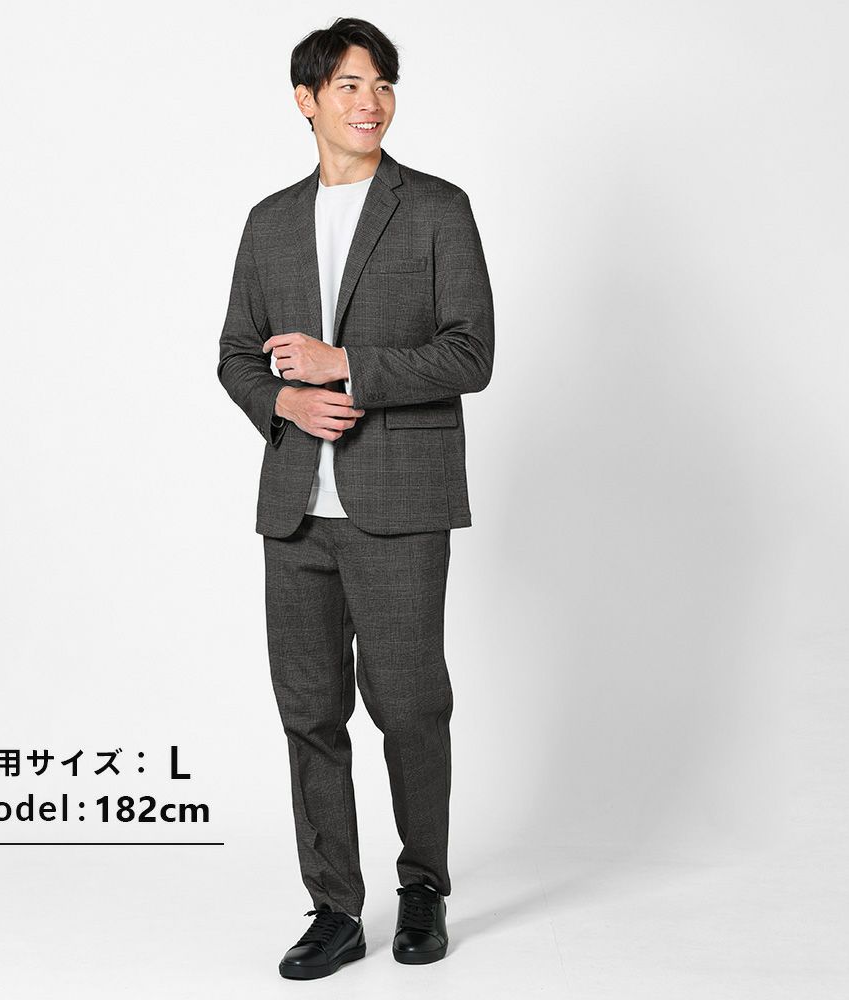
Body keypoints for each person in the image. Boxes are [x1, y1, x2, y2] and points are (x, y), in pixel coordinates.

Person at [216, 16, 494, 980]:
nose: (370, 102)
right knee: (309, 712)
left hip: (402, 501)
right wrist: (285, 399)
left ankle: (424, 887)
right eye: (348, 85)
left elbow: (471, 353)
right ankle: (335, 907)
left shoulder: (436, 209)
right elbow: (234, 355)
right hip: (296, 509)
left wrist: (348, 366)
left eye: (382, 85)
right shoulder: (269, 222)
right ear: (307, 100)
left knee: (410, 706)